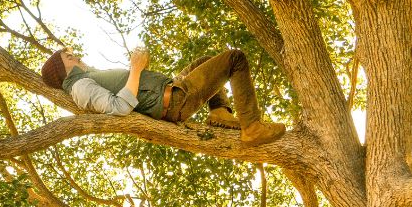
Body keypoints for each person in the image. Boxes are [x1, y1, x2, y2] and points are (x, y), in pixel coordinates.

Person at [40, 47, 286, 147]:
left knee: (204, 62)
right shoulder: (80, 87)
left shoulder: (86, 77)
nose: (76, 56)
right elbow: (118, 107)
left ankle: (220, 111)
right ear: (64, 70)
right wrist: (136, 68)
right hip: (174, 101)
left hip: (173, 90)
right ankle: (252, 127)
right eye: (69, 57)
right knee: (235, 59)